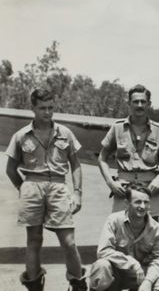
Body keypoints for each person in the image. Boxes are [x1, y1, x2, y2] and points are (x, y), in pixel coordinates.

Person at [5, 89, 87, 291]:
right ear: (33, 108)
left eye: (50, 108)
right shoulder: (21, 135)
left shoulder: (65, 133)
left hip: (59, 186)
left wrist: (77, 192)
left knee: (69, 241)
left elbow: (75, 164)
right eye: (42, 108)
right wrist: (22, 187)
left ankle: (78, 284)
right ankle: (34, 286)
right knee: (34, 240)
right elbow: (10, 168)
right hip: (32, 185)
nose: (47, 112)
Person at [98, 84, 159, 219]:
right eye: (135, 101)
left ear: (149, 104)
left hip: (150, 188)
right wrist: (110, 182)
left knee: (151, 232)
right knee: (121, 229)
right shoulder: (118, 128)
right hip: (124, 188)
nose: (139, 105)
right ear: (129, 103)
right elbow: (102, 157)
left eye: (143, 102)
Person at [89, 183, 159, 291]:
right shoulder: (114, 220)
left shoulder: (155, 228)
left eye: (146, 202)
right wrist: (131, 262)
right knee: (101, 266)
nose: (142, 206)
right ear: (127, 203)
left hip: (140, 274)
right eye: (137, 202)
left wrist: (148, 281)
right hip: (117, 272)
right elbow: (103, 251)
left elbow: (158, 259)